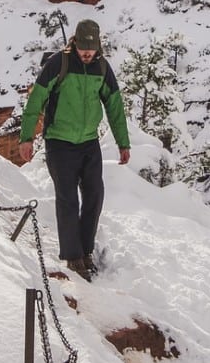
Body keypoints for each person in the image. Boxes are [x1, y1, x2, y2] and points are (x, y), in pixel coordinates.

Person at [19, 19, 130, 282]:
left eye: (91, 49)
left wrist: (123, 143)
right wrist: (26, 137)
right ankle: (72, 256)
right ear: (75, 43)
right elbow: (36, 100)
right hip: (59, 142)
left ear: (98, 46)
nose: (87, 53)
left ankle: (86, 250)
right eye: (83, 48)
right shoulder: (59, 64)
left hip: (89, 142)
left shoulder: (102, 68)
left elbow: (115, 106)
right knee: (68, 198)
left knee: (94, 195)